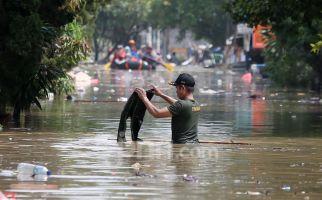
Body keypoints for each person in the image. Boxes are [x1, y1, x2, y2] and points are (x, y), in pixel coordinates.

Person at [135, 73, 200, 144]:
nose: (176, 91)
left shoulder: (181, 105)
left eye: (177, 88)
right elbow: (178, 104)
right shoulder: (196, 104)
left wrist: (144, 98)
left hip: (180, 146)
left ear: (182, 88)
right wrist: (161, 94)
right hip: (193, 144)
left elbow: (156, 113)